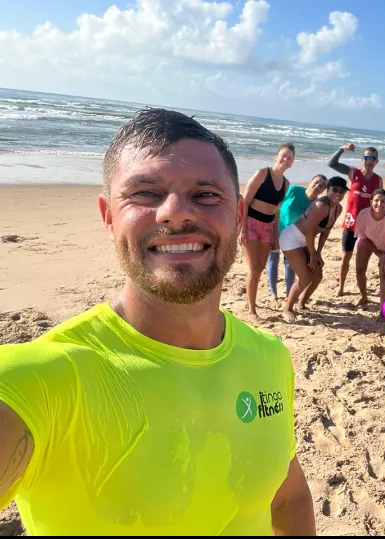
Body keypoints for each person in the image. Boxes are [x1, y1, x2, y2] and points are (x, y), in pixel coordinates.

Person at [0, 109, 314, 535]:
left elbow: (288, 496)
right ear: (108, 216)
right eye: (145, 193)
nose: (174, 213)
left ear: (238, 215)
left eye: (205, 195)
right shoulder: (43, 378)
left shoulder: (271, 357)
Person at [280, 177, 348, 323]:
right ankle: (287, 308)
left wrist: (318, 253)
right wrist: (312, 255)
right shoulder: (320, 205)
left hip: (305, 240)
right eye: (334, 190)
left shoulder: (338, 208)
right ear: (328, 190)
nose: (338, 194)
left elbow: (326, 232)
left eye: (342, 191)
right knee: (304, 278)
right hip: (291, 238)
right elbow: (310, 232)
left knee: (317, 275)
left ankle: (301, 303)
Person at [241, 142, 294, 322]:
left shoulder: (286, 184)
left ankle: (251, 300)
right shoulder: (262, 174)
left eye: (290, 158)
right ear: (276, 156)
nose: (286, 160)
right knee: (253, 268)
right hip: (250, 222)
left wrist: (275, 235)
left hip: (267, 226)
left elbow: (277, 211)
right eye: (284, 156)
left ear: (292, 163)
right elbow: (246, 201)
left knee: (260, 268)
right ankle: (252, 310)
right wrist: (241, 228)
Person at [327, 143, 383, 297]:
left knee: (362, 259)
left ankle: (362, 290)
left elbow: (380, 202)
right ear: (362, 159)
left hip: (367, 225)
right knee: (346, 256)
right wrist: (341, 149)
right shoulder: (353, 172)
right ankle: (341, 286)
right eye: (367, 157)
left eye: (373, 158)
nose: (370, 160)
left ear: (377, 161)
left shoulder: (378, 181)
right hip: (350, 223)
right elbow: (331, 163)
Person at [267, 174, 328, 302]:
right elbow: (276, 206)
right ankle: (273, 293)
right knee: (273, 260)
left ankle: (289, 293)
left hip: (293, 238)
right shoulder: (294, 190)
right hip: (277, 231)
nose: (317, 186)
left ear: (323, 191)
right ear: (311, 181)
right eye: (316, 182)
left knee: (290, 265)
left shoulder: (316, 205)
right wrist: (272, 229)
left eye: (321, 186)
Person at [354, 188, 385, 308]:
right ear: (370, 201)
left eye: (383, 201)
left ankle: (383, 309)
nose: (379, 204)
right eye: (376, 200)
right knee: (360, 269)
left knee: (384, 273)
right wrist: (377, 252)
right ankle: (364, 296)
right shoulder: (363, 214)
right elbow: (362, 236)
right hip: (367, 240)